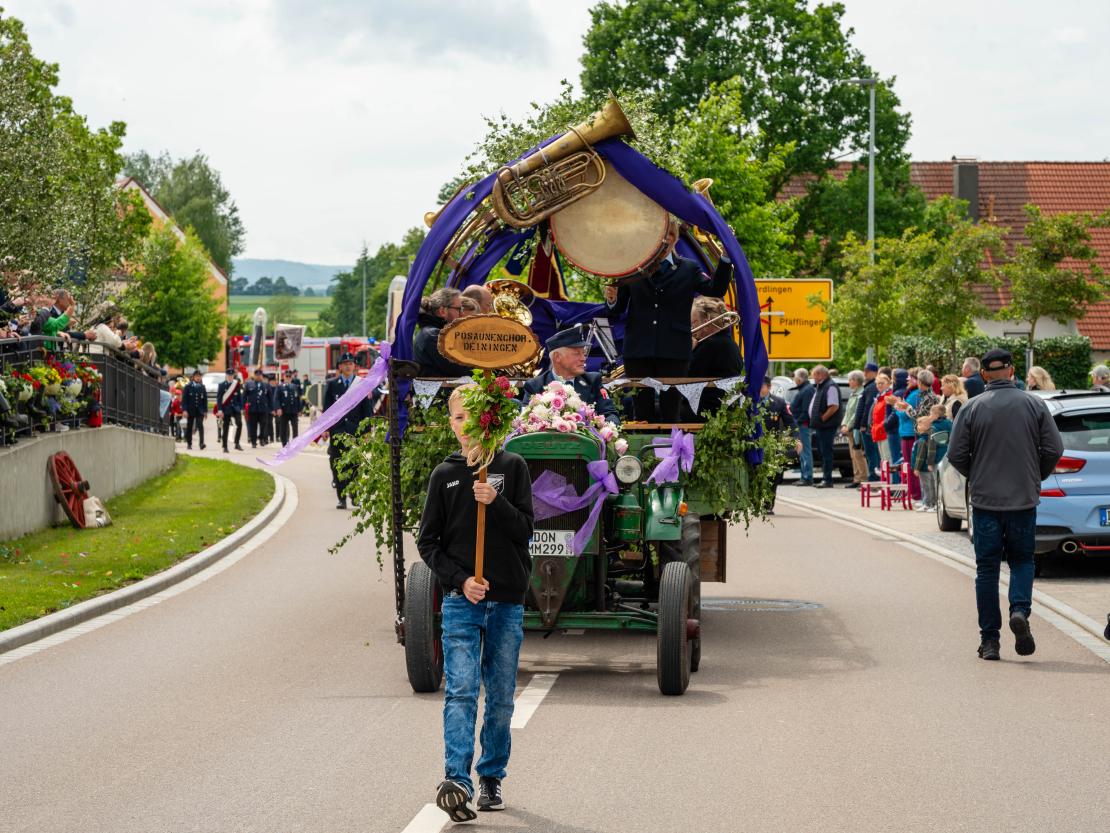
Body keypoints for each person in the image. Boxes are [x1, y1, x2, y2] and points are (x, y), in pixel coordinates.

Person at [417, 385, 534, 821]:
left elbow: (525, 529)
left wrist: (495, 501)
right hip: (461, 603)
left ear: (493, 420)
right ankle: (457, 781)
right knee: (462, 691)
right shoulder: (443, 476)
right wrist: (461, 580)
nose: (467, 426)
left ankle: (491, 776)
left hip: (505, 601)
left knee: (500, 697)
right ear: (451, 424)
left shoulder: (512, 467)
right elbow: (428, 542)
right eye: (459, 419)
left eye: (475, 418)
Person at [947, 348, 1064, 662]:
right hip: (1022, 500)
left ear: (984, 373)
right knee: (1023, 561)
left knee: (986, 570)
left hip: (985, 501)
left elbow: (955, 454)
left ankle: (990, 642)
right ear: (1012, 371)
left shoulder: (971, 408)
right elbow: (1054, 448)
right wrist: (1034, 475)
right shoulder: (1033, 405)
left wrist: (979, 474)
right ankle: (1019, 610)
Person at [603, 219, 733, 421]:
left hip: (675, 351)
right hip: (638, 350)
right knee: (642, 413)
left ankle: (671, 451)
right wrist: (612, 299)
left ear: (675, 239)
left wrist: (725, 257)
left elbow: (715, 290)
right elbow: (616, 310)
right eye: (660, 236)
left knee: (672, 411)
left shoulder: (688, 268)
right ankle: (645, 452)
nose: (664, 241)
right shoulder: (633, 268)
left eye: (670, 235)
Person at [521, 324, 619, 424]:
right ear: (557, 357)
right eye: (577, 354)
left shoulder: (593, 381)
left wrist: (603, 429)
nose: (583, 358)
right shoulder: (535, 386)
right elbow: (525, 421)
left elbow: (610, 415)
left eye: (583, 353)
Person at [323, 352, 374, 509]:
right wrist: (325, 428)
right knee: (337, 464)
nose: (347, 366)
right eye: (344, 363)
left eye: (350, 363)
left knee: (355, 466)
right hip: (337, 432)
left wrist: (366, 431)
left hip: (355, 432)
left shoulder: (361, 384)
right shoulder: (332, 384)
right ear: (339, 367)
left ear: (354, 366)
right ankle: (341, 497)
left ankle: (355, 495)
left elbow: (367, 410)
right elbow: (328, 408)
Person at [687, 296, 743, 418]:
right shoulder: (726, 342)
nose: (692, 329)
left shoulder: (712, 344)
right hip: (720, 407)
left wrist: (689, 350)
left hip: (709, 410)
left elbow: (687, 374)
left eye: (694, 323)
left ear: (706, 321)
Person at [760, 376, 798, 513]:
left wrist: (796, 439)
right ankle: (756, 500)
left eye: (762, 386)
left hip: (772, 446)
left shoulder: (779, 403)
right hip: (755, 445)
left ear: (769, 387)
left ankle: (768, 505)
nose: (759, 389)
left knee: (773, 476)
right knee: (756, 476)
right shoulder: (750, 402)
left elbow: (791, 423)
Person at [414, 289, 470, 377]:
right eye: (458, 309)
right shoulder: (432, 336)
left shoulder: (430, 333)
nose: (462, 314)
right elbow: (460, 369)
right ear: (442, 311)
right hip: (438, 390)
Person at [807, 364, 841, 488]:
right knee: (822, 452)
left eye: (814, 375)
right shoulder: (821, 386)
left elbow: (834, 406)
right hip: (821, 426)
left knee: (826, 453)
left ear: (821, 374)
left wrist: (822, 418)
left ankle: (827, 479)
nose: (813, 378)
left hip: (827, 426)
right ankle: (825, 478)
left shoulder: (830, 386)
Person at [840, 370, 868, 488]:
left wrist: (849, 425)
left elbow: (856, 413)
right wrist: (844, 424)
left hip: (855, 428)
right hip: (849, 428)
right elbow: (847, 412)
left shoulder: (861, 393)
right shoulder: (853, 393)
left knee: (859, 454)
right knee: (853, 455)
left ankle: (863, 478)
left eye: (850, 380)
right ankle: (856, 478)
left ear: (856, 381)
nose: (849, 382)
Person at [855, 363, 881, 482]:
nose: (864, 373)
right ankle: (873, 478)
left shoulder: (872, 387)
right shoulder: (869, 386)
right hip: (867, 426)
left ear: (875, 372)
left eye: (867, 371)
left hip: (868, 427)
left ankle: (874, 479)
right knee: (871, 454)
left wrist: (863, 424)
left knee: (872, 455)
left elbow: (868, 408)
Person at [792, 368, 815, 486]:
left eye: (795, 377)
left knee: (805, 451)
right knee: (801, 451)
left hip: (803, 425)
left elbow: (806, 410)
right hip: (801, 424)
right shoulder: (805, 389)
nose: (794, 380)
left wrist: (798, 422)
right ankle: (804, 476)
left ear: (800, 378)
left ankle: (807, 477)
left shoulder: (807, 390)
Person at [215, 368, 245, 452]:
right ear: (226, 376)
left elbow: (239, 397)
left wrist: (241, 408)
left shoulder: (236, 384)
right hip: (226, 408)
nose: (230, 377)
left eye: (231, 376)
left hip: (235, 408)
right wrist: (220, 409)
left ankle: (237, 443)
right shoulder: (221, 385)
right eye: (228, 375)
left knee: (240, 423)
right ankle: (225, 446)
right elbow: (219, 398)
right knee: (226, 427)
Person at [182, 369, 208, 450]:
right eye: (196, 376)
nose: (198, 378)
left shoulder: (202, 387)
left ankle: (201, 443)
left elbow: (205, 400)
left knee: (200, 426)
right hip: (190, 410)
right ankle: (189, 443)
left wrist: (205, 411)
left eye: (199, 376)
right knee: (189, 427)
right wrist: (185, 410)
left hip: (199, 410)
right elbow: (184, 400)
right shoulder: (188, 387)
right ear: (193, 377)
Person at [245, 369, 270, 448]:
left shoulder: (266, 385)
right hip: (253, 409)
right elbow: (244, 396)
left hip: (263, 409)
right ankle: (253, 441)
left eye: (260, 375)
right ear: (254, 376)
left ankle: (262, 438)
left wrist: (272, 408)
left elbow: (270, 398)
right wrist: (243, 407)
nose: (258, 377)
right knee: (253, 426)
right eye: (257, 375)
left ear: (262, 376)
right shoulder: (249, 384)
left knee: (263, 425)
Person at [278, 370, 301, 445]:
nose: (288, 378)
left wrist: (299, 409)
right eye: (286, 376)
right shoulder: (280, 387)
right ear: (284, 377)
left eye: (289, 377)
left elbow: (297, 398)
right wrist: (278, 408)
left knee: (295, 428)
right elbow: (277, 398)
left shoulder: (295, 387)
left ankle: (295, 443)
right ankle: (284, 442)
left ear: (291, 378)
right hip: (284, 411)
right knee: (283, 428)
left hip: (293, 410)